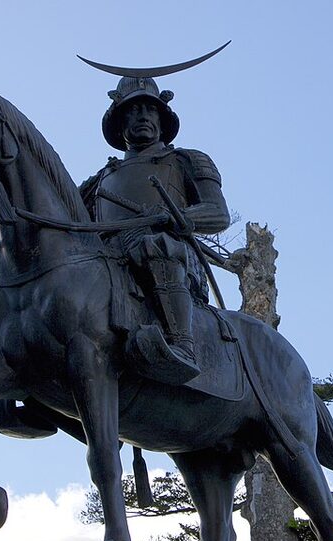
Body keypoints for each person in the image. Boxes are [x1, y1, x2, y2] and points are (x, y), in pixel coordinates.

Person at [79, 75, 230, 385]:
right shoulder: (98, 182)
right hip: (111, 259)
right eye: (133, 111)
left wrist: (178, 217)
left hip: (170, 254)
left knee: (158, 246)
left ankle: (182, 346)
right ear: (120, 126)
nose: (143, 116)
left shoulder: (187, 160)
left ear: (162, 120)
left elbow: (218, 213)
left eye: (150, 110)